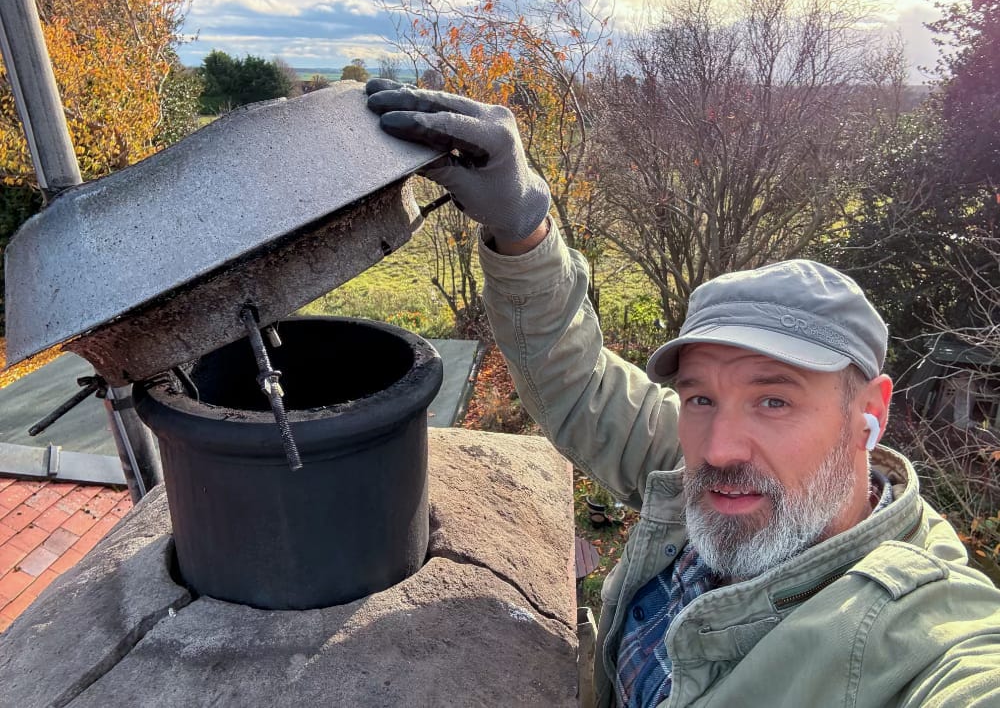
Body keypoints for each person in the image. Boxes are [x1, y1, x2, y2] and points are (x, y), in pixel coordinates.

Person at [365, 79, 1000, 707]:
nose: (718, 449)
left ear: (870, 412)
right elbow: (579, 380)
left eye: (773, 400)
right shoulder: (703, 472)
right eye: (700, 398)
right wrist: (523, 226)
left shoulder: (923, 632)